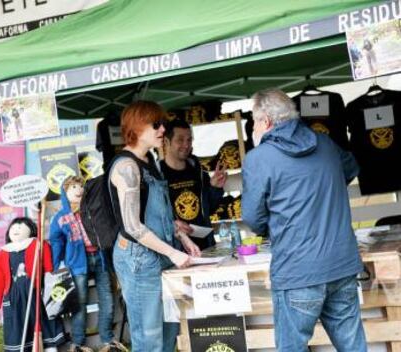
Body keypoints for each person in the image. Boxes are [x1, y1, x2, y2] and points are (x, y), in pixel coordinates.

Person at [241, 89, 367, 351]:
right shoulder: (325, 143)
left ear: (265, 122)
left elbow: (253, 217)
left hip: (297, 270)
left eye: (253, 121)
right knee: (353, 346)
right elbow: (351, 169)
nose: (253, 127)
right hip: (341, 265)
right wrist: (325, 194)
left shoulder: (258, 158)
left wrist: (274, 228)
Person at [110, 101, 201, 352]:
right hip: (139, 260)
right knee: (149, 338)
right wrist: (172, 252)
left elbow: (160, 213)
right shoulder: (126, 167)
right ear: (137, 127)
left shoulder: (149, 161)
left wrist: (182, 238)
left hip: (161, 254)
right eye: (156, 125)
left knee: (169, 331)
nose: (163, 130)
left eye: (163, 124)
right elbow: (133, 226)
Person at [50, 176, 126, 352]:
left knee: (106, 296)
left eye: (81, 186)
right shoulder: (61, 217)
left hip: (100, 257)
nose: (79, 190)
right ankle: (78, 343)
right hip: (77, 262)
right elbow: (56, 241)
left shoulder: (92, 210)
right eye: (73, 187)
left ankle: (108, 340)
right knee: (80, 301)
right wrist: (56, 267)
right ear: (65, 192)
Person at [0, 217, 65, 352]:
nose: (16, 229)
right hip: (13, 300)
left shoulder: (38, 245)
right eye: (13, 228)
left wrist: (49, 286)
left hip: (36, 294)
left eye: (20, 227)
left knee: (42, 325)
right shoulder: (2, 254)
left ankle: (49, 348)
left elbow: (48, 268)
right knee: (17, 330)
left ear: (30, 230)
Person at [161, 118, 227, 250]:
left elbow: (210, 209)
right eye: (180, 140)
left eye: (189, 140)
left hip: (206, 247)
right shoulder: (156, 176)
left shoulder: (200, 172)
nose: (186, 145)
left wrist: (215, 188)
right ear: (166, 142)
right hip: (177, 251)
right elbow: (153, 218)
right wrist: (172, 225)